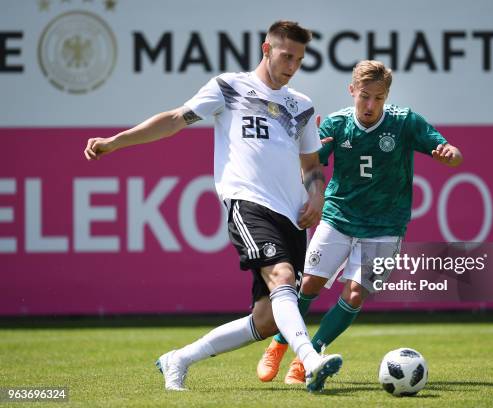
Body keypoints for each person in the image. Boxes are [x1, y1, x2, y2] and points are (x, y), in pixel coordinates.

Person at [83, 21, 342, 393]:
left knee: (267, 320)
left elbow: (313, 166)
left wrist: (316, 196)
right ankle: (310, 358)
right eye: (287, 56)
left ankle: (179, 358)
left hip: (293, 216)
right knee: (282, 278)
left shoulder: (301, 105)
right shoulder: (230, 87)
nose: (293, 65)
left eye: (300, 59)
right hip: (248, 202)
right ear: (266, 49)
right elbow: (174, 120)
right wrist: (115, 141)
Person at [256, 60, 463, 384]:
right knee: (307, 285)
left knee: (354, 294)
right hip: (339, 217)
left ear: (387, 96)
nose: (370, 105)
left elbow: (451, 151)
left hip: (384, 226)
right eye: (364, 96)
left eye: (378, 98)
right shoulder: (337, 125)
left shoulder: (404, 122)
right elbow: (309, 165)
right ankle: (280, 343)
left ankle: (309, 356)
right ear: (352, 91)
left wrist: (449, 154)